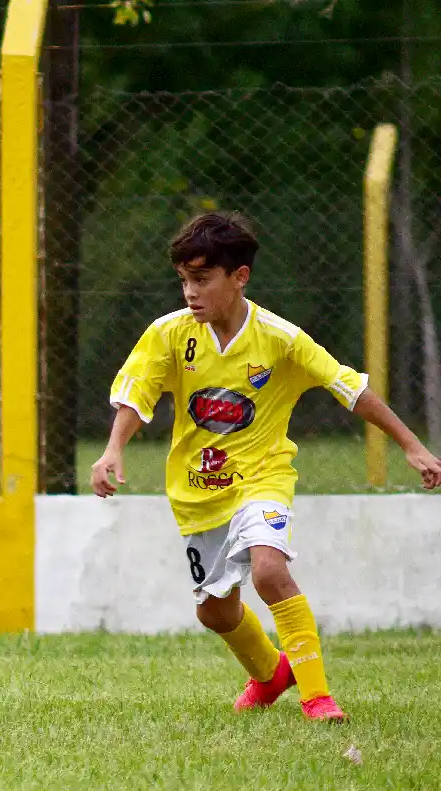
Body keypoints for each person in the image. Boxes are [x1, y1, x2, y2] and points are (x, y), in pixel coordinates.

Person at [90, 212, 441, 722]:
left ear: (240, 277)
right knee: (214, 612)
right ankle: (272, 675)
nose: (190, 292)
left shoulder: (279, 338)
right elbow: (137, 393)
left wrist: (411, 446)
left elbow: (350, 389)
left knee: (270, 571)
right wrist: (113, 449)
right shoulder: (169, 334)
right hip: (197, 490)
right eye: (185, 280)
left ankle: (318, 696)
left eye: (203, 279)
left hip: (263, 477)